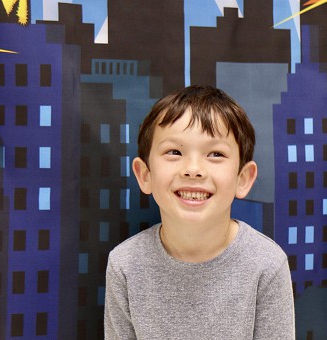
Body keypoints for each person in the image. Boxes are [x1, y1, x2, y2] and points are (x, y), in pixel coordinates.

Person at [104, 85, 295, 339]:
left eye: (215, 154)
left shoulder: (267, 265)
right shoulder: (124, 265)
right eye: (174, 152)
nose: (193, 169)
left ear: (243, 178)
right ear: (145, 175)